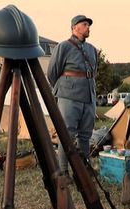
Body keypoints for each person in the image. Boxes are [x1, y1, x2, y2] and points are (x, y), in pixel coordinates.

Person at [47, 15, 97, 175]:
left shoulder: (92, 49)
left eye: (88, 25)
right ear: (74, 27)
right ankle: (64, 171)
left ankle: (84, 169)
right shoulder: (63, 47)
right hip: (69, 96)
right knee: (67, 134)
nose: (88, 27)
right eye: (85, 24)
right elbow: (52, 73)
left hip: (88, 96)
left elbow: (93, 72)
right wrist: (66, 88)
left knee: (85, 134)